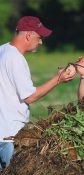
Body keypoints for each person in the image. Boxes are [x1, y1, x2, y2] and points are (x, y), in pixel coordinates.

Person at [0, 16, 76, 171]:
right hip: (9, 136)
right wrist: (58, 79)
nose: (41, 42)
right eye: (39, 37)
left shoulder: (3, 50)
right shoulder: (15, 58)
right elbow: (30, 96)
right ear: (28, 35)